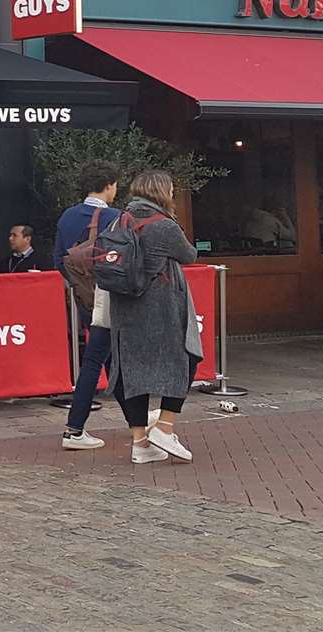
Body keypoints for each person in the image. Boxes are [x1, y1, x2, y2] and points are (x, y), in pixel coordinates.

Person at [109, 170, 203, 466]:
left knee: (132, 372)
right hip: (161, 307)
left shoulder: (119, 219)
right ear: (163, 192)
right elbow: (189, 255)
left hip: (124, 306)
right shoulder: (163, 224)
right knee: (186, 360)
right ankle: (165, 426)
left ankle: (140, 444)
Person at [56, 160, 123, 451]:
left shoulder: (68, 217)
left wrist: (80, 287)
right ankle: (74, 428)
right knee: (96, 359)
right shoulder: (117, 217)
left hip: (83, 298)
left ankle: (138, 417)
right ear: (109, 185)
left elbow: (59, 259)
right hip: (109, 297)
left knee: (109, 357)